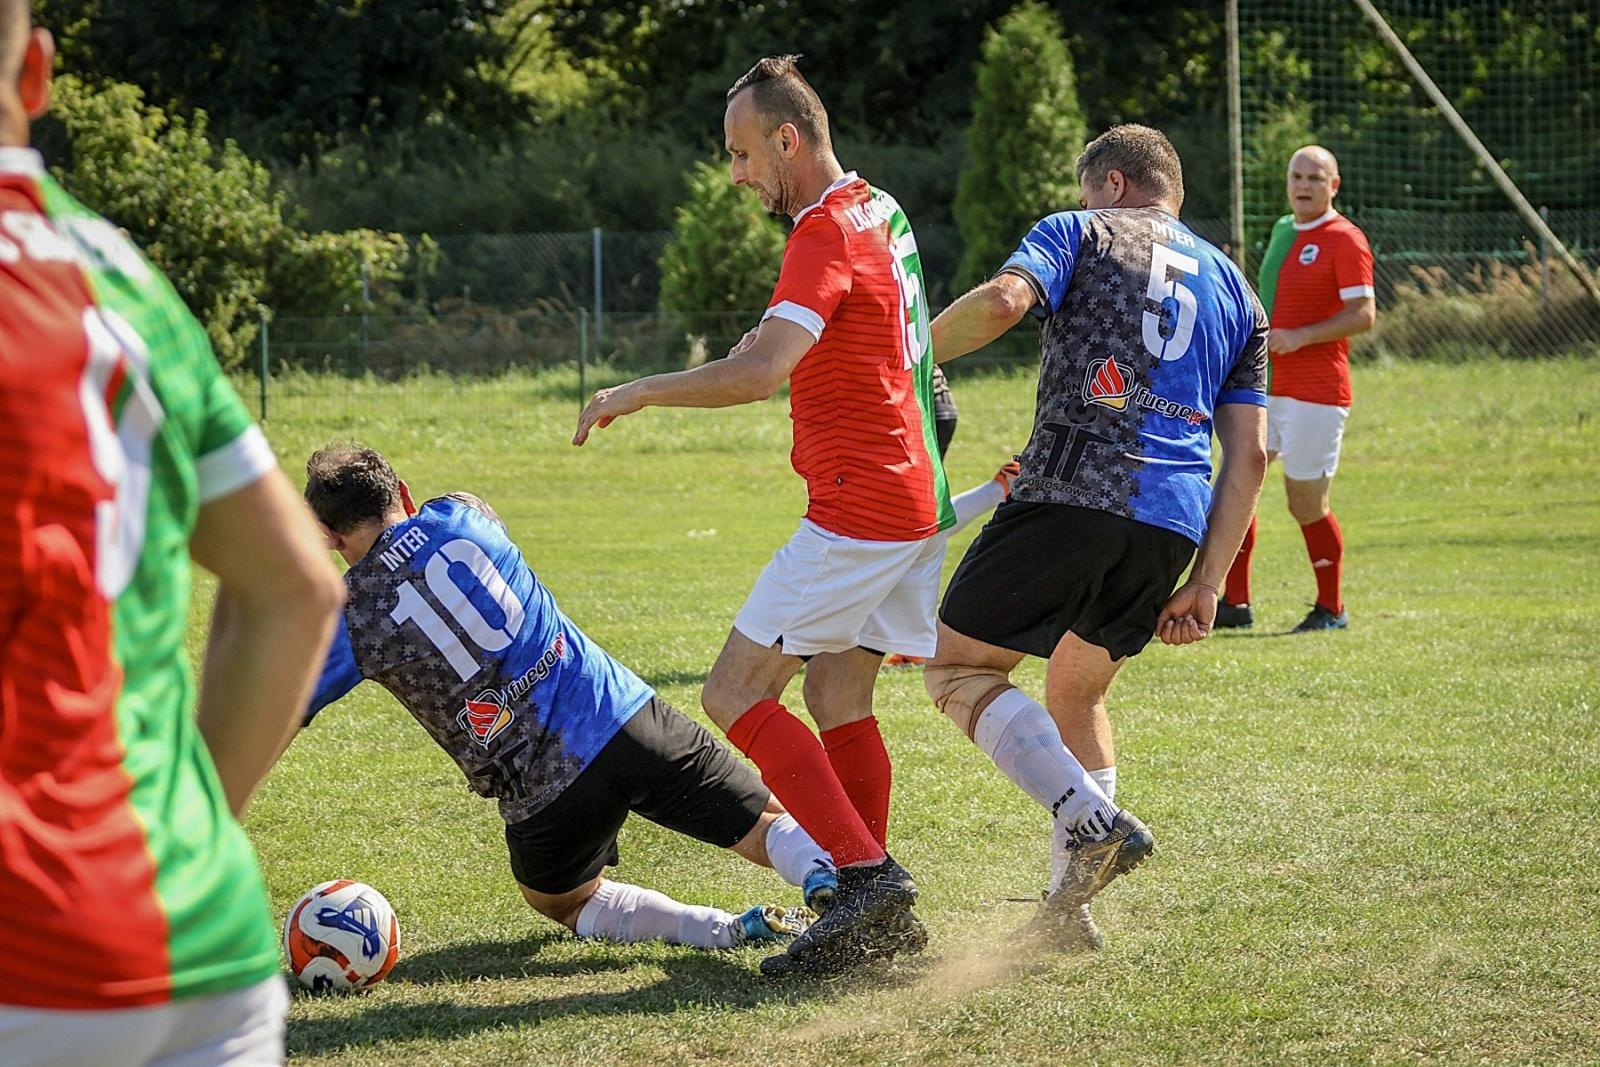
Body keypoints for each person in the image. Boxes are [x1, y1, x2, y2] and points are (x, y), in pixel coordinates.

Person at [0, 7, 346, 1065]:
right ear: (42, 73)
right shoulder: (119, 277)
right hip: (199, 947)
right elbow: (296, 585)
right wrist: (181, 833)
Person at [573, 54, 949, 975]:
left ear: (788, 139)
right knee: (837, 695)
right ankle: (872, 908)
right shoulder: (881, 208)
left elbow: (759, 373)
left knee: (733, 693)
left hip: (860, 505)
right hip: (914, 499)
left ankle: (866, 880)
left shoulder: (822, 229)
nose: (736, 174)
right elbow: (857, 337)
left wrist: (639, 390)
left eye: (743, 154)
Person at [922, 124, 1269, 950]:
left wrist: (900, 353)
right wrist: (1211, 580)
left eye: (1088, 190)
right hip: (1172, 522)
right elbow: (1251, 454)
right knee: (1078, 690)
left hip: (1073, 490)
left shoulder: (1082, 230)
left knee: (956, 666)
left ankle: (1091, 817)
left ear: (1111, 183)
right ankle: (1066, 912)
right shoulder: (1240, 292)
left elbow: (1006, 302)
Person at [300, 445, 832, 951]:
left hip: (545, 795)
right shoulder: (461, 515)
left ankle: (726, 930)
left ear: (326, 535)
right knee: (763, 822)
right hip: (625, 719)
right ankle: (831, 879)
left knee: (563, 900)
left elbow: (286, 705)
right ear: (404, 492)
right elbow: (465, 532)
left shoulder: (350, 620)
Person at [1218, 145, 1375, 633]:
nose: (1303, 185)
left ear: (1334, 185)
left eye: (1315, 177)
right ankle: (1235, 604)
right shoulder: (1285, 230)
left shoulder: (1346, 239)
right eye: (1296, 176)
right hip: (1267, 386)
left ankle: (1331, 609)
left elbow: (1364, 315)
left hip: (1318, 392)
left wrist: (1300, 336)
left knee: (1304, 502)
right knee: (1236, 484)